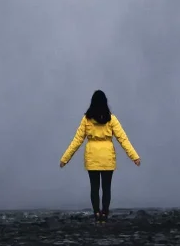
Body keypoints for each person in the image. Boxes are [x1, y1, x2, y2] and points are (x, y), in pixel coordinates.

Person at [59, 89, 140, 222]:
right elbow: (123, 139)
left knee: (94, 187)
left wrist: (65, 159)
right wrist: (134, 157)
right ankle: (105, 213)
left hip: (92, 157)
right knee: (106, 187)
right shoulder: (112, 119)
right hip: (107, 157)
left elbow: (77, 140)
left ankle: (96, 212)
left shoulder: (86, 119)